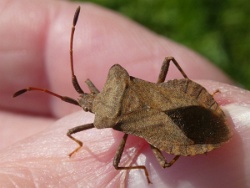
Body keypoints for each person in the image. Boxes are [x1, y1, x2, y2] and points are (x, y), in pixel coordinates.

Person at [0, 0, 249, 187]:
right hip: (187, 103)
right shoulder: (116, 82)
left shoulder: (107, 117)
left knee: (140, 163)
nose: (86, 98)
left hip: (178, 132)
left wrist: (139, 165)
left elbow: (117, 164)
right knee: (169, 60)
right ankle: (210, 100)